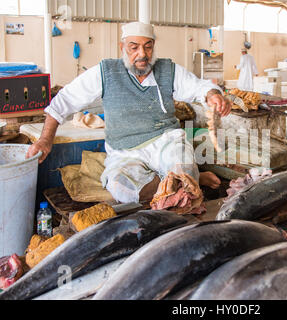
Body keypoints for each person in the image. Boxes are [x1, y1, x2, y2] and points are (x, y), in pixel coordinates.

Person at [26, 22, 232, 204]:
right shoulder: (106, 72)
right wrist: (45, 139)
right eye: (134, 48)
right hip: (125, 151)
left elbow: (199, 87)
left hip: (165, 141)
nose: (142, 54)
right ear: (122, 47)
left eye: (148, 47)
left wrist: (213, 95)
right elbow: (65, 100)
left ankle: (186, 177)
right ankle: (187, 180)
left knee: (183, 164)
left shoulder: (168, 70)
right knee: (122, 189)